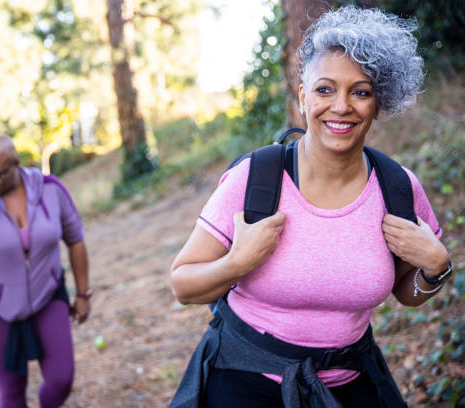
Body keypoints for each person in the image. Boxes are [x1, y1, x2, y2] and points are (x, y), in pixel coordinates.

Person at [169, 6, 451, 408]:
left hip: (349, 382)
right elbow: (182, 284)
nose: (341, 106)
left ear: (377, 101)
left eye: (360, 91)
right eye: (324, 89)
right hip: (243, 382)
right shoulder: (256, 179)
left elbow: (408, 293)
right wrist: (237, 262)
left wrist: (437, 268)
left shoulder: (398, 187)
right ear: (303, 96)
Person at [0, 134, 92, 408]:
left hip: (48, 296)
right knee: (11, 391)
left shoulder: (51, 189)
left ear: (16, 165)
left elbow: (76, 240)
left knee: (61, 379)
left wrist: (83, 293)